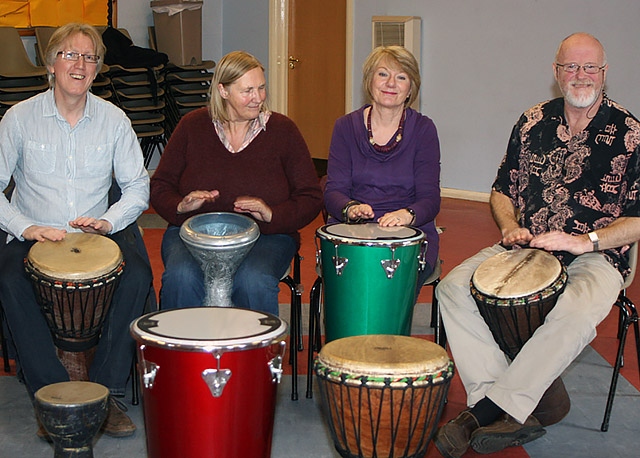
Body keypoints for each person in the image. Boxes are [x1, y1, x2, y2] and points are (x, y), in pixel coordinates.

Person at [434, 32, 640, 457]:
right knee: (451, 287)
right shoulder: (531, 122)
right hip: (523, 247)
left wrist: (586, 241)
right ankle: (508, 405)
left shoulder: (631, 133)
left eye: (590, 68)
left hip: (596, 255)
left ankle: (484, 410)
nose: (580, 76)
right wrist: (509, 225)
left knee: (577, 310)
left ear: (604, 73)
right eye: (570, 67)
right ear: (556, 72)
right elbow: (501, 190)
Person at [0, 23, 152, 438]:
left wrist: (108, 222)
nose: (80, 64)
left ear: (99, 68)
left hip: (98, 231)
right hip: (35, 231)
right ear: (50, 64)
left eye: (89, 57)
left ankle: (105, 394)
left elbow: (138, 187)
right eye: (70, 55)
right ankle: (54, 396)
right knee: (9, 278)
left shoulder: (114, 120)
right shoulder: (19, 118)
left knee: (138, 274)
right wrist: (25, 227)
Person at [150, 50, 322, 315]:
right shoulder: (192, 126)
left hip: (266, 236)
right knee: (181, 278)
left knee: (252, 281)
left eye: (261, 88)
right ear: (223, 90)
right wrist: (180, 206)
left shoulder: (282, 130)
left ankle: (254, 356)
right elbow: (160, 185)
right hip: (195, 234)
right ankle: (185, 355)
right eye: (248, 90)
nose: (258, 98)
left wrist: (272, 214)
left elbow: (310, 196)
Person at [323, 45, 441, 295]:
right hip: (353, 233)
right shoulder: (345, 127)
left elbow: (430, 199)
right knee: (356, 287)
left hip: (411, 234)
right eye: (383, 74)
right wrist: (350, 208)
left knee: (386, 288)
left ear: (411, 87)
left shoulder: (424, 130)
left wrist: (408, 214)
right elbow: (334, 191)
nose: (391, 84)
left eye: (401, 77)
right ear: (369, 81)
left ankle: (387, 333)